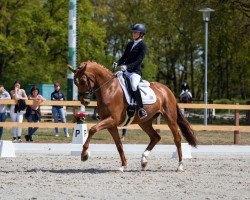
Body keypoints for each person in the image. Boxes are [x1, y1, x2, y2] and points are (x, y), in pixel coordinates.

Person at [113, 23, 147, 119]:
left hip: (135, 72)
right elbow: (124, 57)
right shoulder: (130, 44)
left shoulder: (142, 46)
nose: (133, 33)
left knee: (134, 85)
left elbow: (139, 61)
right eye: (133, 32)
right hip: (125, 71)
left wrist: (127, 67)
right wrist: (117, 63)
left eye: (136, 32)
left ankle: (141, 109)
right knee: (113, 80)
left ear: (141, 34)